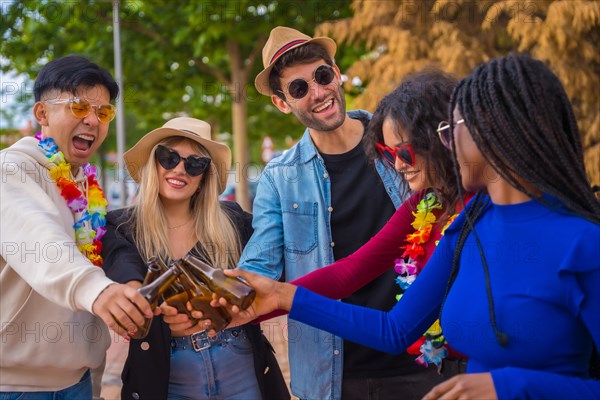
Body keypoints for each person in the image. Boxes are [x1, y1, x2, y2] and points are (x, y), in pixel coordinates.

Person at [224, 53, 600, 399]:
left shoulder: (582, 243)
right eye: (387, 154)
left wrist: (509, 386)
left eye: (456, 124)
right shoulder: (465, 225)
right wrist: (274, 297)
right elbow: (391, 323)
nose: (396, 165)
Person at [243, 25, 448, 400]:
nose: (319, 92)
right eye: (299, 88)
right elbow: (269, 266)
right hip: (334, 374)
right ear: (281, 103)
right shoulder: (280, 177)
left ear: (336, 72)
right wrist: (234, 301)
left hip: (424, 361)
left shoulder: (395, 141)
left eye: (322, 76)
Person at [101, 117, 289, 400]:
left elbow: (277, 256)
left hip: (240, 362)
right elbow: (122, 262)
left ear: (204, 177)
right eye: (169, 157)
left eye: (195, 163)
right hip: (167, 374)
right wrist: (135, 296)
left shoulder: (233, 220)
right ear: (154, 163)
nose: (180, 169)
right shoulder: (121, 225)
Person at [0, 55, 152, 397]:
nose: (92, 121)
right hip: (12, 386)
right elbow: (41, 240)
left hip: (79, 380)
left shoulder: (87, 186)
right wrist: (98, 291)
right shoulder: (10, 169)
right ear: (42, 114)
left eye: (103, 113)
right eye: (79, 107)